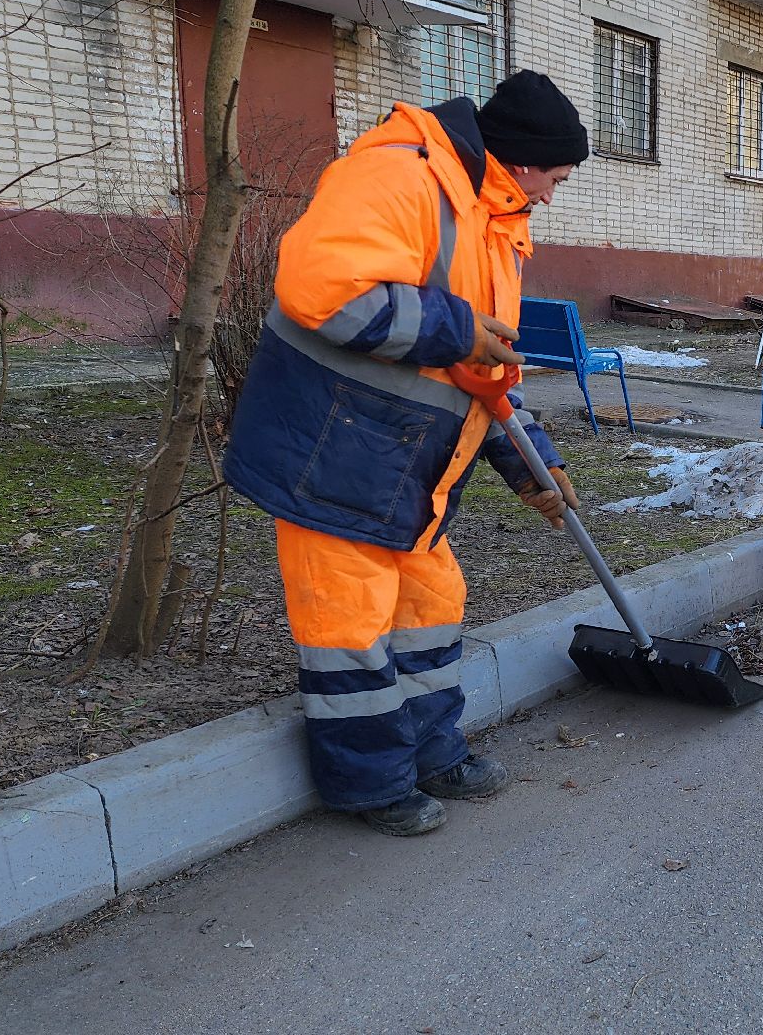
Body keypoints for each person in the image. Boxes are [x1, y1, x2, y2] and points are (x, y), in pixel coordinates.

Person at [223, 70, 589, 837]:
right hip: (335, 456)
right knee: (347, 628)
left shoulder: (493, 218)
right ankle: (370, 784)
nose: (552, 196)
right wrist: (455, 329)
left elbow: (485, 372)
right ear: (522, 162)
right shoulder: (401, 174)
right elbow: (321, 289)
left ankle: (432, 751)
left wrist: (532, 463)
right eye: (554, 178)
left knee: (431, 606)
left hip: (404, 471)